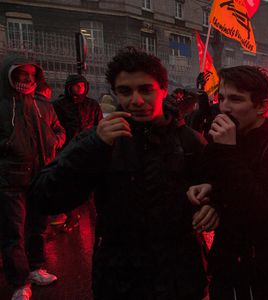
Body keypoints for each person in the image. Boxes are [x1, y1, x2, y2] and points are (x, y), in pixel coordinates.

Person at [29, 47, 216, 299]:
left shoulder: (190, 142)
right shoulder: (102, 139)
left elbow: (218, 193)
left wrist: (212, 203)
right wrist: (92, 146)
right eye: (125, 91)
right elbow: (45, 196)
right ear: (115, 93)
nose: (136, 100)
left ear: (162, 90)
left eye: (145, 89)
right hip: (118, 277)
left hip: (178, 276)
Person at [186, 65, 268, 299]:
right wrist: (208, 196)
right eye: (221, 98)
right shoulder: (223, 137)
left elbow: (263, 206)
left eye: (235, 99)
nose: (224, 107)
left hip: (267, 274)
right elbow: (212, 178)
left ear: (262, 106)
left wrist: (228, 151)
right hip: (227, 267)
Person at [0, 56, 65, 300]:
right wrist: (9, 146)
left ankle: (37, 267)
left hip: (40, 177)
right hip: (10, 180)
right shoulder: (3, 106)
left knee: (37, 228)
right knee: (13, 232)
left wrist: (55, 141)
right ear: (9, 76)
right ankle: (19, 282)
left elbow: (59, 128)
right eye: (20, 75)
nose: (25, 80)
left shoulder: (44, 106)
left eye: (30, 75)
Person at [51, 74, 103, 230]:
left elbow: (99, 125)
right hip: (68, 149)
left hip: (89, 148)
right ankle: (71, 214)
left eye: (82, 85)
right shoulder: (59, 105)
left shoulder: (92, 105)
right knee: (68, 183)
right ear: (69, 87)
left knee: (93, 184)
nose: (79, 89)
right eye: (76, 85)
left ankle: (97, 218)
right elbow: (55, 126)